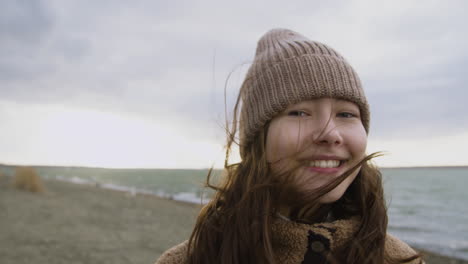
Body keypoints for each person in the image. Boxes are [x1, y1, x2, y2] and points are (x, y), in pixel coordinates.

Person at [155, 28, 423, 264]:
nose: (331, 134)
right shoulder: (192, 259)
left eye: (346, 114)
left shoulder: (398, 259)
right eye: (299, 113)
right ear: (259, 140)